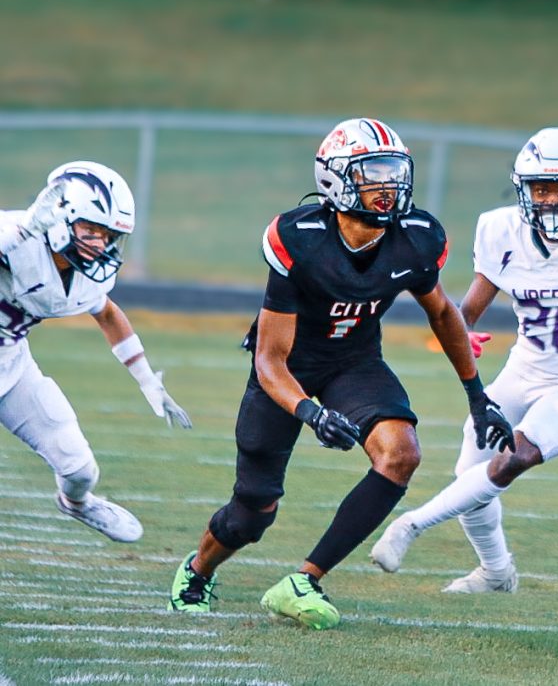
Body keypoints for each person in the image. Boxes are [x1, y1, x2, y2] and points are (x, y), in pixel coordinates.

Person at [167, 117, 512, 630]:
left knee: (402, 454)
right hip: (289, 369)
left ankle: (303, 581)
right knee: (252, 513)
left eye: (394, 172)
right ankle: (197, 571)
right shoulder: (298, 238)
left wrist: (477, 396)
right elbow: (269, 359)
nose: (387, 186)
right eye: (373, 173)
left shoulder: (416, 238)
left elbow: (442, 312)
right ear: (335, 178)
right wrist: (311, 412)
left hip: (355, 362)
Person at [369, 126, 558, 592]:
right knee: (469, 474)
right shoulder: (499, 228)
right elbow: (466, 308)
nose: (552, 199)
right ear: (523, 189)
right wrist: (462, 331)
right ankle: (495, 572)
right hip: (523, 371)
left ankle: (411, 524)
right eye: (542, 188)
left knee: (517, 455)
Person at [0, 160, 191, 543]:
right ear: (58, 218)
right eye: (90, 229)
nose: (98, 244)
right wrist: (20, 235)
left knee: (80, 469)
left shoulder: (84, 272)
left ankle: (78, 504)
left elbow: (106, 313)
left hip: (10, 366)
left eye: (106, 235)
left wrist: (147, 381)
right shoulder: (14, 231)